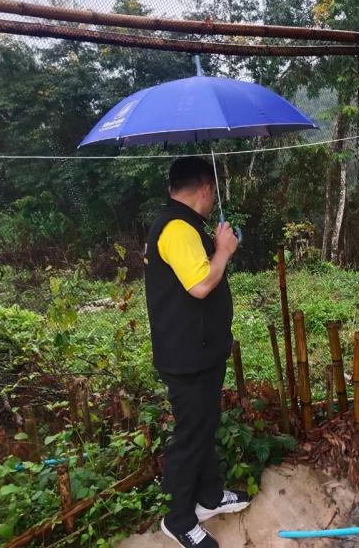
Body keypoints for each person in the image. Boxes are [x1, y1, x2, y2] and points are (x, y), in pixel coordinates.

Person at [144, 156, 250, 548]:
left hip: (198, 350)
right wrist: (223, 250)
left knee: (204, 424)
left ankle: (209, 497)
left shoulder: (182, 224)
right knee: (191, 434)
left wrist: (217, 246)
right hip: (186, 354)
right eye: (213, 192)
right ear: (205, 188)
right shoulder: (177, 228)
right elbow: (201, 285)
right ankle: (178, 518)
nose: (213, 199)